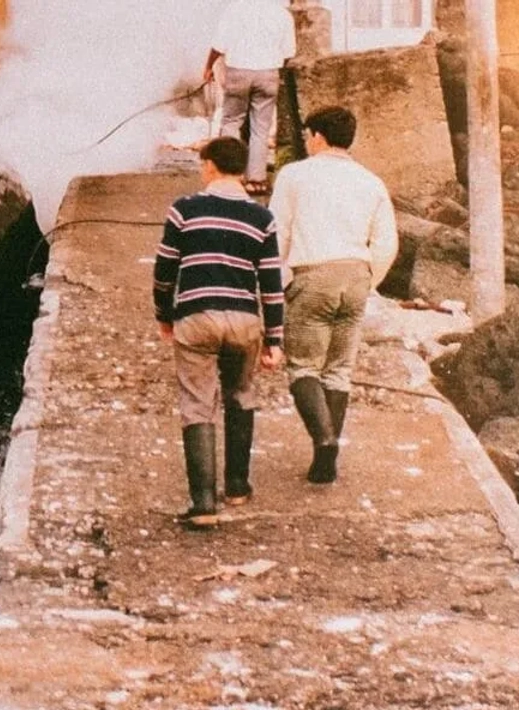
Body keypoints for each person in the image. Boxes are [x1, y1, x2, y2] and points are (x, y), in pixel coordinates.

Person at [153, 136, 286, 529]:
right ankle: (238, 486)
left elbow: (164, 272)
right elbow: (271, 284)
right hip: (244, 320)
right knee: (240, 395)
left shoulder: (184, 209)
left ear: (210, 166)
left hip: (196, 316)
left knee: (197, 403)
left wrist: (165, 316)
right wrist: (274, 340)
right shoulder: (262, 218)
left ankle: (204, 504)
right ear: (242, 170)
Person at [269, 105, 398, 484]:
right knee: (339, 370)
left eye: (308, 135)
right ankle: (326, 455)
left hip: (312, 273)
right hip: (356, 275)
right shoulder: (371, 182)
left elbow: (277, 232)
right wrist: (368, 280)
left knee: (303, 367)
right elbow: (387, 242)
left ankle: (324, 439)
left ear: (318, 137)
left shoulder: (293, 175)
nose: (307, 141)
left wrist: (281, 280)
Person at [203, 0, 297, 196]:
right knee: (260, 129)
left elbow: (219, 46)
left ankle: (228, 173)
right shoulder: (282, 14)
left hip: (238, 71)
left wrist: (208, 66)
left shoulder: (234, 8)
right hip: (268, 73)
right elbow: (288, 53)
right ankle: (256, 180)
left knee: (231, 122)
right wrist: (271, 67)